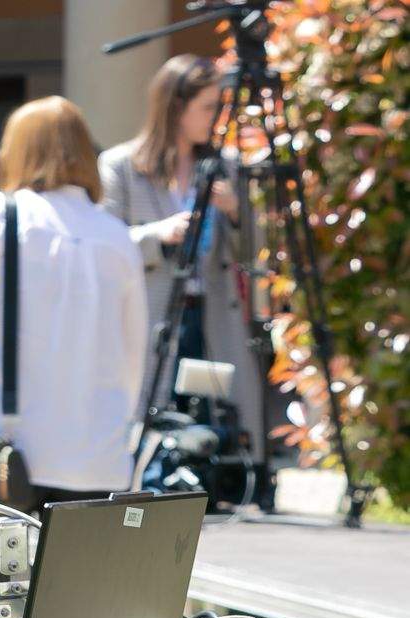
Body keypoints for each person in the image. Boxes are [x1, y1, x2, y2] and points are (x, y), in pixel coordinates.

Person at [0, 97, 147, 504]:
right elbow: (134, 349)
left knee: (10, 549)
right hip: (97, 450)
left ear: (15, 151)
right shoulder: (116, 234)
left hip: (10, 448)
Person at [98, 54, 269, 460]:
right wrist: (158, 235)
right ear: (176, 106)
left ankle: (223, 481)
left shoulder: (225, 166)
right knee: (151, 419)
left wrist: (235, 212)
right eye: (208, 107)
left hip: (210, 314)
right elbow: (103, 245)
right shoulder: (122, 166)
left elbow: (256, 252)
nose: (217, 118)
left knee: (214, 417)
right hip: (152, 315)